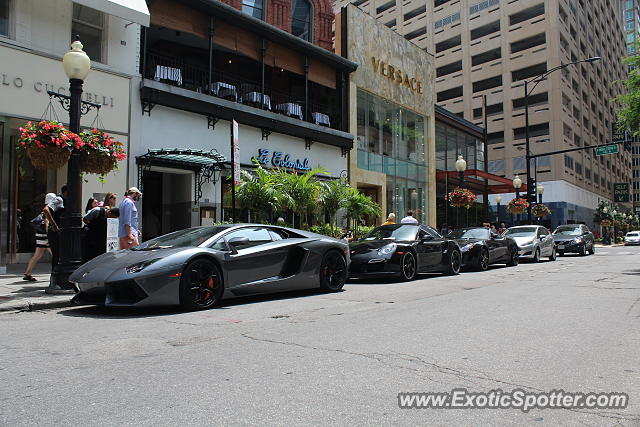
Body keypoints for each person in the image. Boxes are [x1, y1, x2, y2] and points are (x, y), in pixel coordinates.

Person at [23, 197, 53, 281]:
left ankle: (27, 273)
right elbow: (47, 223)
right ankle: (56, 275)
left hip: (39, 235)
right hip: (45, 236)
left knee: (37, 255)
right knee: (55, 255)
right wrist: (49, 237)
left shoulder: (43, 209)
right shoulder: (49, 209)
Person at [43, 191, 65, 269]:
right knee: (57, 256)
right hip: (55, 233)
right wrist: (54, 225)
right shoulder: (60, 199)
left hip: (55, 233)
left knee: (57, 256)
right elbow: (46, 210)